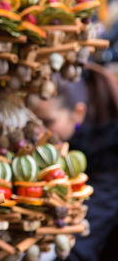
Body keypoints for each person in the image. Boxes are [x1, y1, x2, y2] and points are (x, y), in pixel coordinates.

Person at [33, 62, 118, 261]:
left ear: (78, 113)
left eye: (47, 122)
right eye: (34, 122)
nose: (39, 133)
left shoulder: (109, 160)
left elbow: (82, 243)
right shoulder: (63, 147)